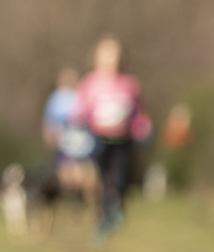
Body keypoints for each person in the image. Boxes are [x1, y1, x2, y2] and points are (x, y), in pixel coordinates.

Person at [71, 35, 152, 239]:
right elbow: (80, 109)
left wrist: (143, 127)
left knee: (119, 178)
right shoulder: (90, 82)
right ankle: (102, 216)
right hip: (98, 138)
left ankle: (115, 210)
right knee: (99, 180)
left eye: (115, 55)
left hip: (123, 139)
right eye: (107, 55)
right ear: (97, 58)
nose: (111, 60)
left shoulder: (129, 83)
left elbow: (138, 111)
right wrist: (76, 123)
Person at [34, 66, 96, 220]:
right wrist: (50, 140)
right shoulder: (55, 99)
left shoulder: (83, 96)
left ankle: (88, 207)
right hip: (63, 145)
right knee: (67, 179)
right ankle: (72, 206)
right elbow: (49, 122)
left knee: (85, 177)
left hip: (82, 145)